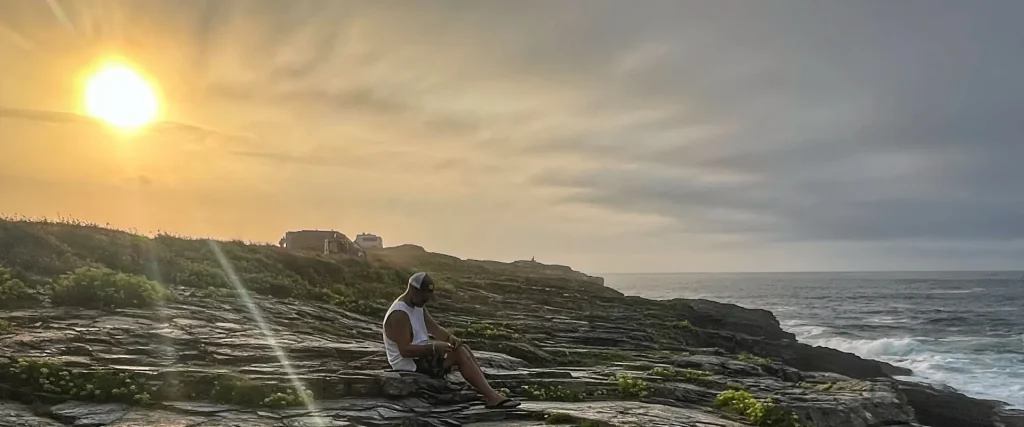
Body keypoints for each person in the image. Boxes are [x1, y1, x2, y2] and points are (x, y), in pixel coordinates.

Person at [382, 272, 521, 409]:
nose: (426, 301)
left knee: (462, 347)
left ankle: (487, 390)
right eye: (424, 299)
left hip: (420, 356)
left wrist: (450, 338)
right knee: (458, 354)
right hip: (408, 365)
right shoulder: (399, 314)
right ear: (413, 290)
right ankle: (492, 398)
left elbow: (435, 329)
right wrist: (434, 348)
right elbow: (405, 351)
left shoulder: (417, 305)